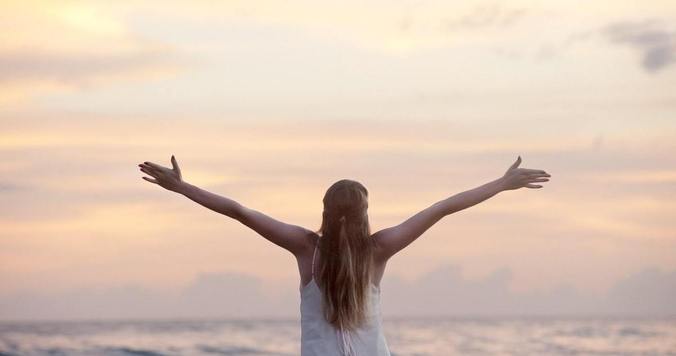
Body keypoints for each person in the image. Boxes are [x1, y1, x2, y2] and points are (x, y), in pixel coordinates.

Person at [138, 155, 550, 355]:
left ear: (325, 210)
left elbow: (239, 211)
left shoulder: (305, 248)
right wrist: (500, 183)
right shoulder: (380, 249)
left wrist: (182, 188)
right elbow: (442, 207)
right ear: (365, 214)